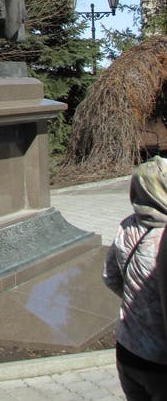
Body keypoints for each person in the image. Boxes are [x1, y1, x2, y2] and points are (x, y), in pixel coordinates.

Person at [103, 155, 167, 400]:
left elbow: (109, 276)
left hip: (128, 349)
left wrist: (136, 300)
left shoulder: (127, 226)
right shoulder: (163, 238)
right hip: (159, 360)